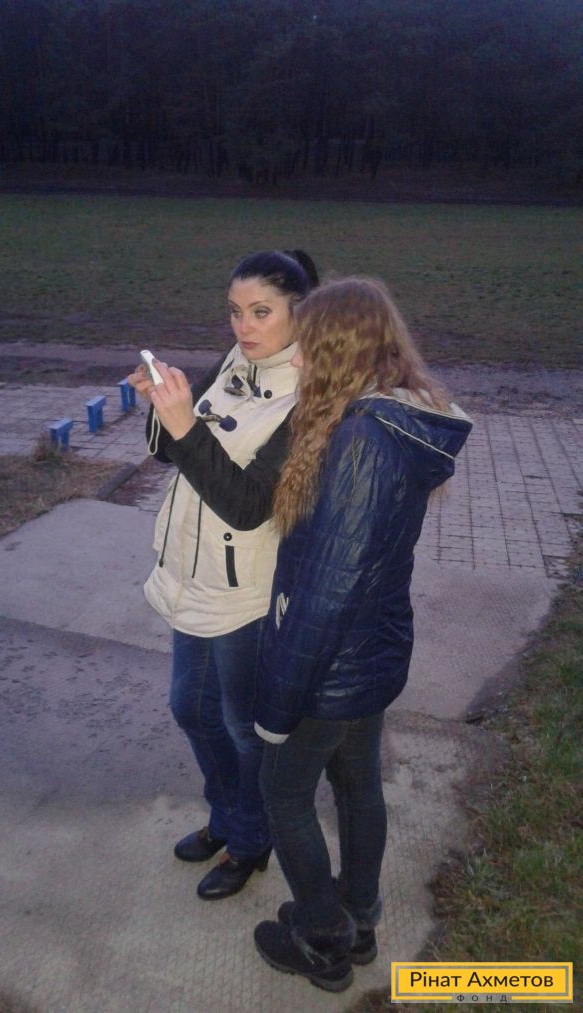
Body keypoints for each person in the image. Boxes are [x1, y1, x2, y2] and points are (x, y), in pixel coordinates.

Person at [252, 277, 472, 991]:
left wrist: (278, 707)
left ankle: (324, 937)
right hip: (369, 655)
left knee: (282, 791)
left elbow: (325, 595)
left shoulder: (360, 442)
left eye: (306, 345)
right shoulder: (390, 423)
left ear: (338, 349)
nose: (296, 357)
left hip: (334, 668)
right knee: (356, 784)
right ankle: (360, 914)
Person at [127, 250, 318, 901]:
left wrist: (186, 424)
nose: (244, 326)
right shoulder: (236, 360)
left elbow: (249, 503)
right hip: (193, 570)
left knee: (241, 726)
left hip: (245, 592)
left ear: (299, 311)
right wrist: (163, 406)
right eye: (235, 311)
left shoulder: (309, 395)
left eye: (261, 312)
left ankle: (250, 837)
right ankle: (228, 814)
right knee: (190, 707)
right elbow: (170, 450)